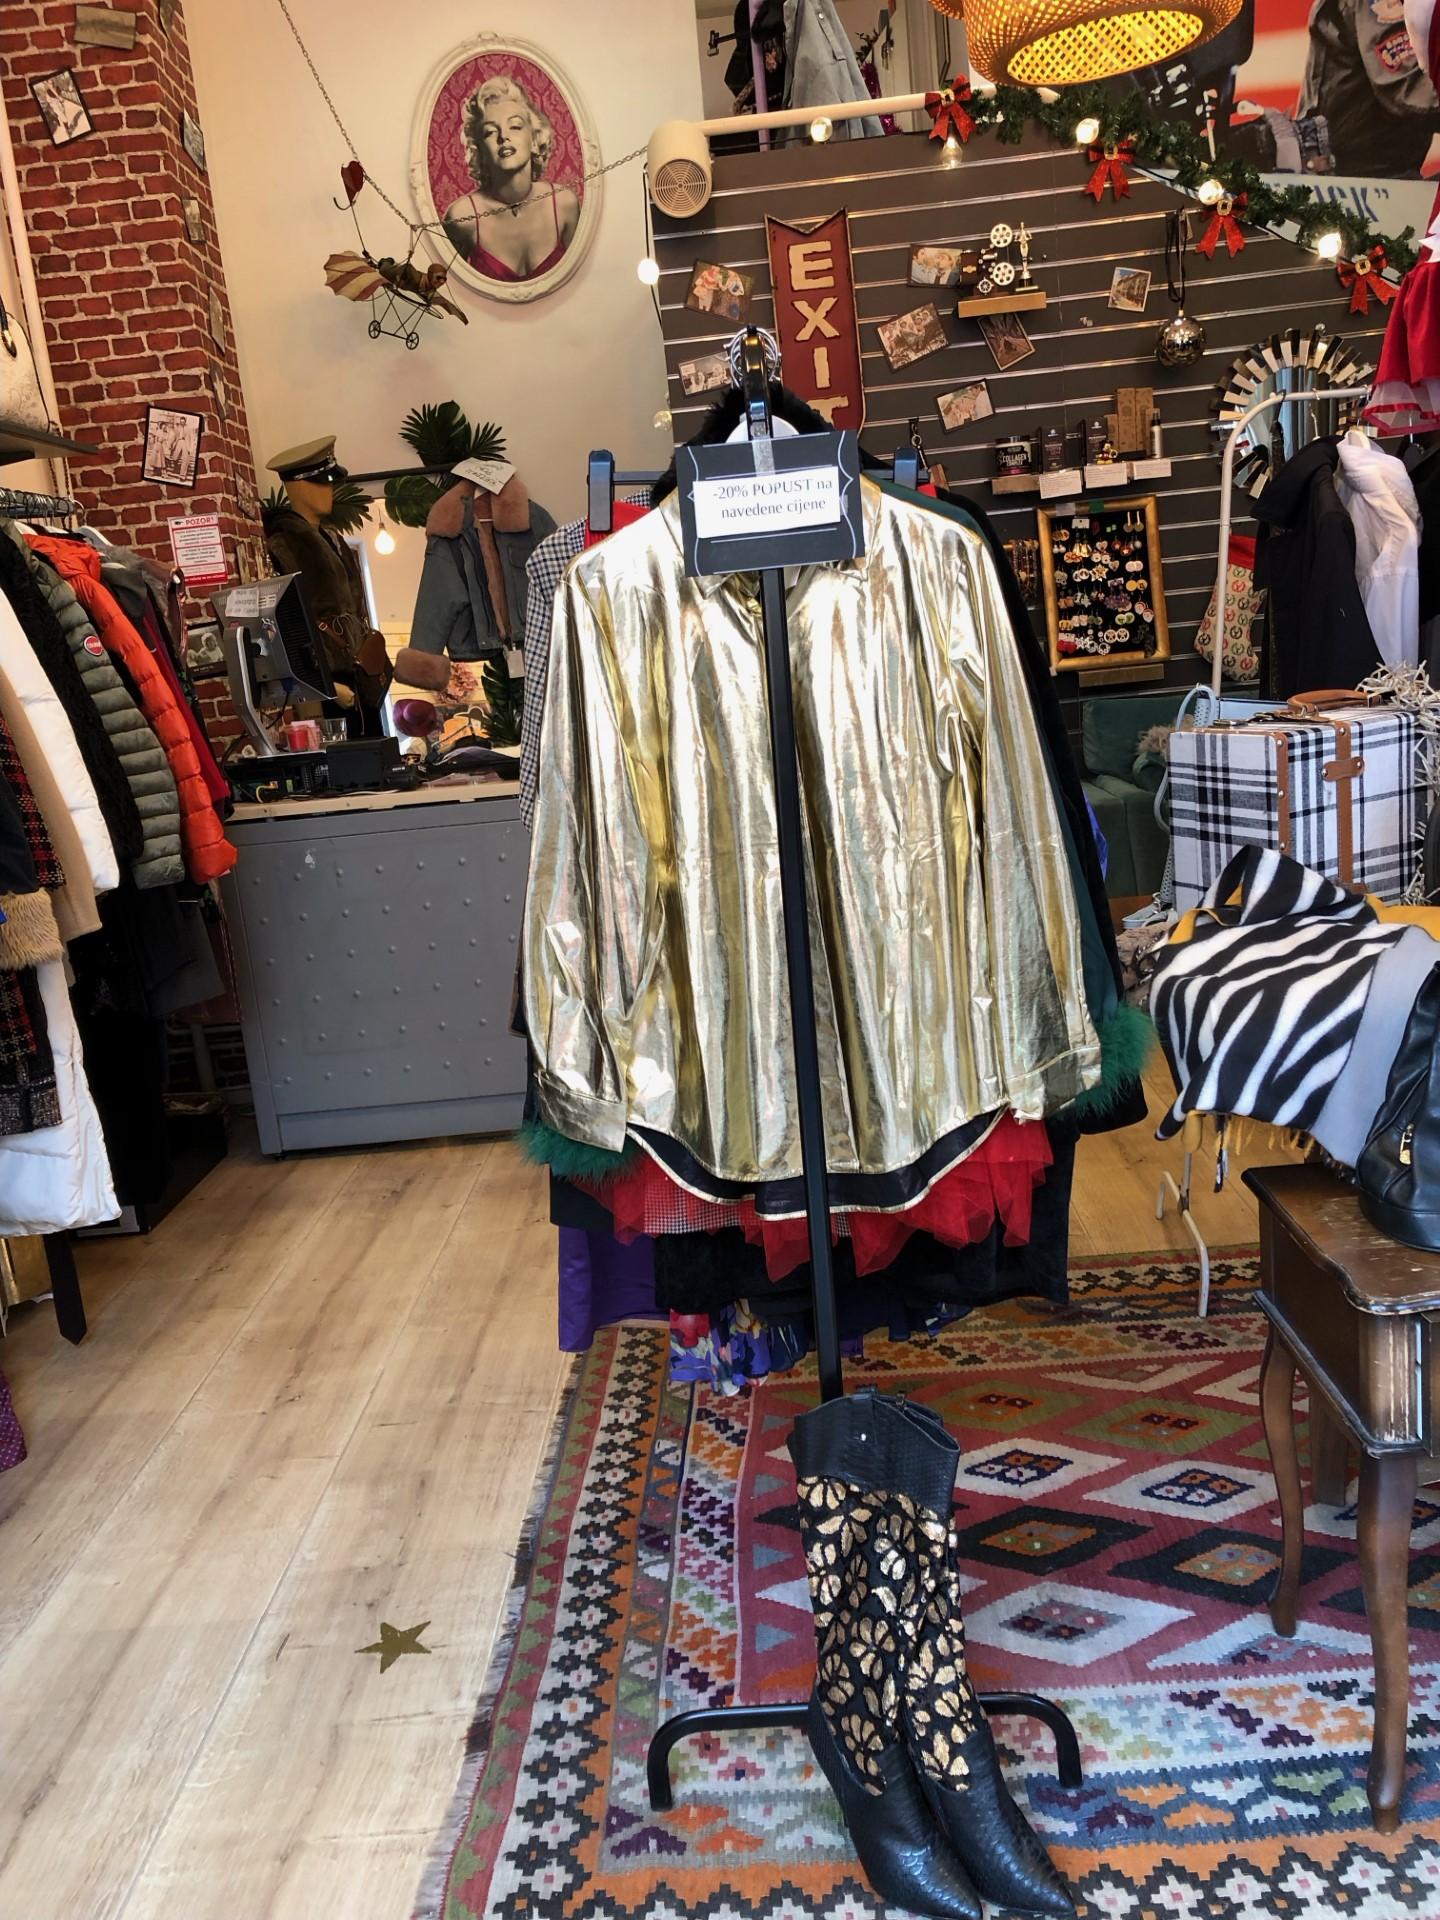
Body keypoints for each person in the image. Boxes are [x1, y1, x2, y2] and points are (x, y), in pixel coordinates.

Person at [442, 74, 578, 282]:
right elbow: (444, 287)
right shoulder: (462, 216)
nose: (503, 137)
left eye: (515, 126)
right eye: (490, 132)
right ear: (480, 151)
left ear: (535, 140)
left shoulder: (564, 204)